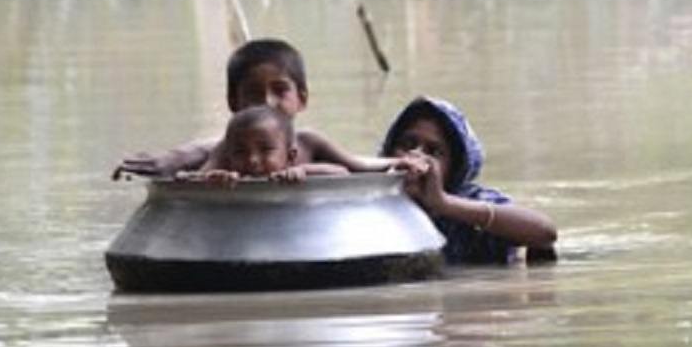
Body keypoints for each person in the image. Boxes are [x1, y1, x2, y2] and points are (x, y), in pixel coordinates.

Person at [113, 38, 407, 179]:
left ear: (302, 98)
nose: (267, 102)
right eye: (253, 93)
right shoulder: (227, 148)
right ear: (233, 102)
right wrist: (215, 179)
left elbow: (354, 168)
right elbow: (195, 179)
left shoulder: (310, 142)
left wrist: (402, 162)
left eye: (280, 91)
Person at [380, 96, 557, 264]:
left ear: (454, 168)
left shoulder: (469, 202)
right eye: (406, 145)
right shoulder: (376, 202)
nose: (415, 156)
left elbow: (545, 233)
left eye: (433, 152)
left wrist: (443, 203)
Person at [175, 105, 348, 184]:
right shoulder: (231, 179)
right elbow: (190, 179)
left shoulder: (292, 175)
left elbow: (342, 173)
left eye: (266, 150)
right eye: (240, 152)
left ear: (290, 156)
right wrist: (213, 180)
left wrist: (304, 171)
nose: (252, 160)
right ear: (229, 157)